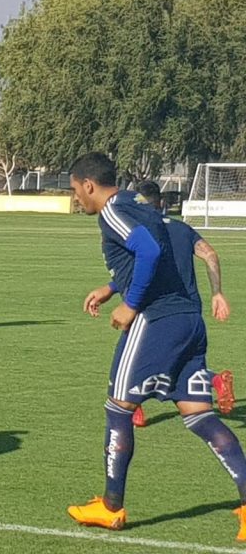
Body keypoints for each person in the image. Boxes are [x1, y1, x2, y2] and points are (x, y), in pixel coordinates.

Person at [66, 152, 246, 540]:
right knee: (200, 414)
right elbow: (156, 252)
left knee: (119, 408)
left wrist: (130, 305)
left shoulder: (112, 211)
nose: (76, 198)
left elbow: (148, 253)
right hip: (189, 321)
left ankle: (111, 507)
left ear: (89, 185)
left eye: (75, 190)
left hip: (155, 319)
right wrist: (113, 287)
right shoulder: (139, 204)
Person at [129, 180, 234, 427]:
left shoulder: (139, 233)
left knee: (133, 359)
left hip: (156, 310)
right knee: (185, 363)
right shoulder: (182, 229)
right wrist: (217, 293)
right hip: (191, 312)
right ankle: (215, 381)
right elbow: (210, 254)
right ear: (162, 204)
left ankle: (134, 408)